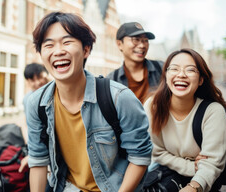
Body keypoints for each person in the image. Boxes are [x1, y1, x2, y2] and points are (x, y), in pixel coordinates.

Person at [26, 12, 152, 192]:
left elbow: (140, 157)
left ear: (86, 50)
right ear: (41, 54)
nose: (58, 50)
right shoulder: (36, 103)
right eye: (48, 45)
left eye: (67, 42)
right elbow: (38, 161)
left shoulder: (119, 98)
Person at [143, 48, 226, 192]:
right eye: (174, 69)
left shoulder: (213, 111)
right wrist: (190, 166)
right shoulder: (153, 106)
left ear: (201, 79)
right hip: (164, 176)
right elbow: (156, 152)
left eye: (190, 70)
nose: (181, 75)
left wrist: (193, 187)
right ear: (166, 75)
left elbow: (211, 163)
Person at [106, 22, 163, 103]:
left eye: (145, 40)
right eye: (136, 39)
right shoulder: (111, 81)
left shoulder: (162, 69)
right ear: (119, 44)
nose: (142, 45)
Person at [18, 63, 49, 173]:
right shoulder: (28, 99)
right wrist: (31, 150)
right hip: (41, 145)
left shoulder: (54, 90)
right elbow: (27, 126)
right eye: (32, 80)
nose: (37, 83)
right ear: (28, 81)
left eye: (39, 77)